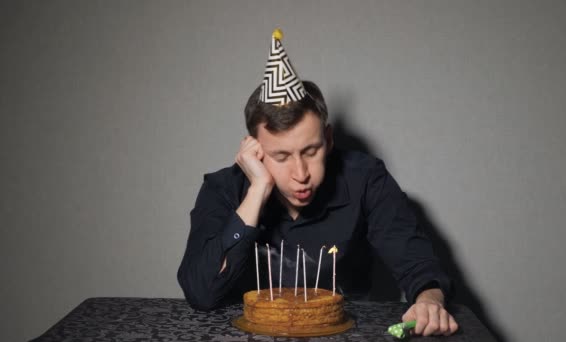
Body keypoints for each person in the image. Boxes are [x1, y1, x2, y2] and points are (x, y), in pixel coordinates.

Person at [177, 30, 458, 337]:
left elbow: (414, 259)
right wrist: (257, 190)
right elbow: (201, 292)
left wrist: (429, 301)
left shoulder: (365, 178)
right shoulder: (223, 189)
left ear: (328, 139)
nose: (301, 173)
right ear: (254, 151)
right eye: (281, 156)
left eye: (310, 151)